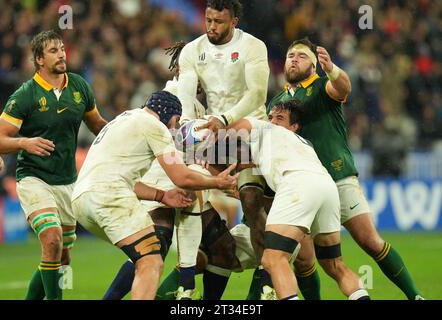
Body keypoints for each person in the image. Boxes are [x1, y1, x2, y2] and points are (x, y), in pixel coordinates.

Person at [267, 38, 424, 300]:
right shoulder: (277, 102)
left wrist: (333, 70)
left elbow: (342, 88)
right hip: (300, 186)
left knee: (370, 241)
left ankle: (415, 296)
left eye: (302, 56)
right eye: (290, 55)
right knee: (306, 261)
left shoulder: (321, 86)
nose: (293, 59)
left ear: (315, 66)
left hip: (337, 177)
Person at [71, 90, 238, 300]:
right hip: (109, 197)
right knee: (151, 262)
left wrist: (161, 195)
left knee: (146, 255)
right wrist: (217, 182)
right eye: (175, 121)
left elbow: (124, 180)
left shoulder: (121, 120)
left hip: (82, 200)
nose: (174, 128)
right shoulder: (154, 126)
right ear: (167, 113)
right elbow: (182, 178)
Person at [0, 30, 107, 300]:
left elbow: (97, 125)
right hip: (34, 178)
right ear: (39, 60)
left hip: (67, 181)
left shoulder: (78, 86)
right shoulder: (26, 95)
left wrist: (127, 129)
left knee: (62, 257)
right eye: (54, 51)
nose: (62, 54)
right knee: (52, 240)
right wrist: (24, 143)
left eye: (63, 49)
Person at [226, 100, 370, 300]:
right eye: (271, 117)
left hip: (298, 184)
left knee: (273, 259)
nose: (273, 121)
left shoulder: (266, 130)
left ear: (294, 127)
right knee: (335, 265)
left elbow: (235, 127)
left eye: (280, 118)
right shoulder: (304, 144)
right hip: (326, 186)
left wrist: (212, 126)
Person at [177, 0, 272, 294]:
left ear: (234, 22)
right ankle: (185, 281)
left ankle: (266, 281)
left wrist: (226, 117)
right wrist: (186, 124)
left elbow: (257, 94)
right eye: (208, 20)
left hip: (249, 130)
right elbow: (186, 94)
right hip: (213, 134)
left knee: (252, 203)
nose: (211, 28)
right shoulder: (192, 50)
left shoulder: (253, 47)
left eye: (218, 22)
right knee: (186, 195)